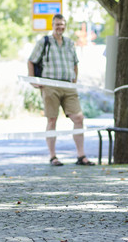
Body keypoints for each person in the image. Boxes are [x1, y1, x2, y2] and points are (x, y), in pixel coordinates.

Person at [27, 14, 95, 166]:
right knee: (52, 119)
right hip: (50, 84)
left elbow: (75, 64)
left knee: (78, 118)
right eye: (57, 24)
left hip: (68, 85)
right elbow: (31, 61)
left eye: (62, 24)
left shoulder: (70, 43)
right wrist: (33, 80)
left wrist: (74, 81)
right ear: (53, 25)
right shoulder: (44, 42)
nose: (60, 27)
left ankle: (81, 155)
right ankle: (53, 156)